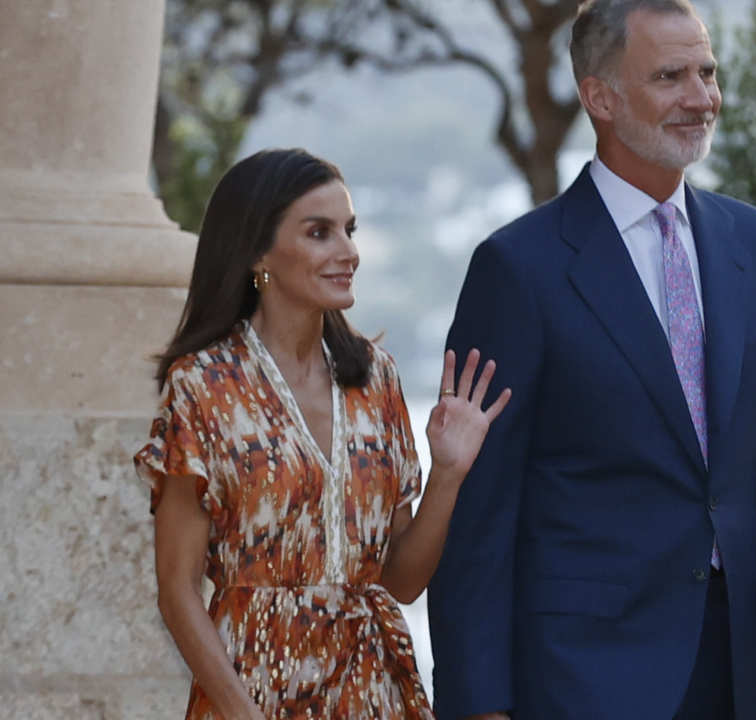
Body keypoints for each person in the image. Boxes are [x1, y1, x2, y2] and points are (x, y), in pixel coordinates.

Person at [428, 2, 756, 719]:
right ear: (600, 97)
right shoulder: (518, 268)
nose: (701, 98)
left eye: (707, 72)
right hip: (578, 680)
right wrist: (479, 704)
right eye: (670, 76)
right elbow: (480, 513)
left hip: (731, 674)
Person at [135, 148, 510, 720]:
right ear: (257, 251)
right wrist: (243, 713)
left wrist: (448, 475)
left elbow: (402, 582)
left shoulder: (374, 377)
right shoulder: (204, 386)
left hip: (371, 691)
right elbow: (178, 590)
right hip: (250, 691)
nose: (349, 252)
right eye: (320, 233)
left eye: (349, 230)